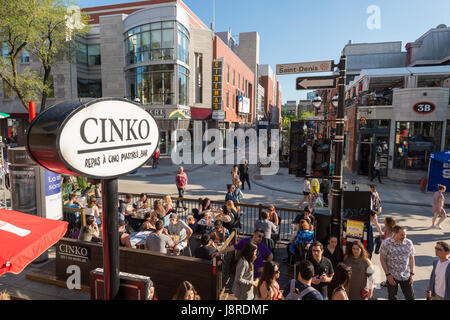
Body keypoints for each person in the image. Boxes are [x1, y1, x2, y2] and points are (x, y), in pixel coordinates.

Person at [379, 226, 416, 300]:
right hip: (392, 275)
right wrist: (387, 274)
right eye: (401, 235)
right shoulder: (386, 243)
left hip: (406, 275)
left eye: (405, 234)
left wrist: (412, 274)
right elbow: (382, 259)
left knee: (410, 297)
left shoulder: (409, 243)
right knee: (392, 297)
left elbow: (411, 259)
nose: (404, 236)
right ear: (394, 233)